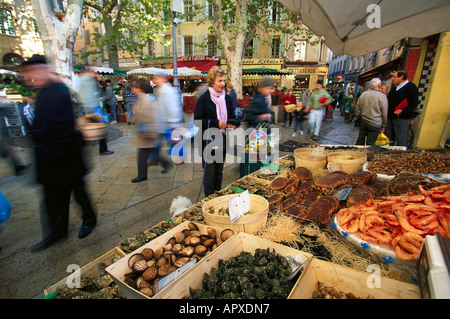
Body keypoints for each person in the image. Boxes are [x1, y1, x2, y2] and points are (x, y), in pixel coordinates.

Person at [20, 55, 97, 252]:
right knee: (53, 198)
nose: (29, 78)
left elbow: (67, 128)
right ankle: (57, 232)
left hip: (65, 158)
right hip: (52, 159)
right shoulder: (46, 90)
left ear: (43, 70)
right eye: (26, 74)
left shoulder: (59, 91)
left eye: (32, 72)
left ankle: (88, 220)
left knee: (77, 192)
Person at [194, 66, 238, 197]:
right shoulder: (204, 99)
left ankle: (218, 196)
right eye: (220, 80)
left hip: (222, 140)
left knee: (219, 172)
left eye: (224, 80)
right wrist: (216, 123)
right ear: (212, 81)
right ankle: (208, 200)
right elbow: (197, 121)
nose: (223, 84)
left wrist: (234, 123)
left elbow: (232, 118)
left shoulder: (228, 99)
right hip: (207, 142)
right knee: (209, 174)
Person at [131, 78, 162, 183]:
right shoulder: (141, 98)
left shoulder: (146, 99)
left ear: (140, 88)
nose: (133, 89)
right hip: (145, 133)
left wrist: (151, 132)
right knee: (150, 152)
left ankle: (142, 175)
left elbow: (153, 116)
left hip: (148, 133)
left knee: (142, 155)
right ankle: (165, 164)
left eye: (135, 87)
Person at [77, 69, 114, 155]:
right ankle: (102, 149)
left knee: (92, 131)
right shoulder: (85, 81)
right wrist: (89, 112)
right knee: (99, 130)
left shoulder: (86, 80)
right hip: (91, 110)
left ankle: (102, 149)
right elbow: (86, 96)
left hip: (91, 109)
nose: (94, 73)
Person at [151, 71, 182, 167]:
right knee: (159, 141)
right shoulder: (160, 90)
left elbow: (173, 107)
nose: (155, 80)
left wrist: (175, 122)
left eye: (156, 78)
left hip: (169, 122)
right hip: (162, 121)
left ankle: (177, 158)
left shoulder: (168, 90)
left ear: (162, 78)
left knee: (172, 142)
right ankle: (154, 158)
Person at [385, 70, 418, 147]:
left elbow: (413, 104)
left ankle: (400, 154)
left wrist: (402, 110)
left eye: (394, 77)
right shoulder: (394, 89)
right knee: (388, 137)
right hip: (390, 117)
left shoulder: (411, 87)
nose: (392, 79)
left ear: (401, 77)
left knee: (401, 138)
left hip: (401, 118)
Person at [354, 78, 388, 145]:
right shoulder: (382, 96)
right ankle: (367, 154)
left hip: (364, 121)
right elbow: (384, 112)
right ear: (379, 85)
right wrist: (383, 125)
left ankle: (357, 153)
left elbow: (358, 107)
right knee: (371, 143)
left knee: (360, 141)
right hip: (375, 123)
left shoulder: (364, 94)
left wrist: (358, 115)